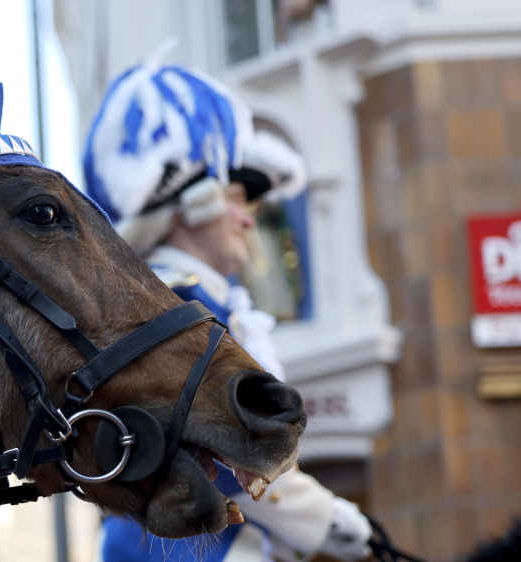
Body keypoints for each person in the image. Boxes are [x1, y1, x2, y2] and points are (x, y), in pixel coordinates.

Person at [83, 49, 372, 562]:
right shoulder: (178, 306)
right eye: (236, 198)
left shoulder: (196, 299)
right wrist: (326, 518)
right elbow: (233, 445)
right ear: (192, 204)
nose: (247, 219)